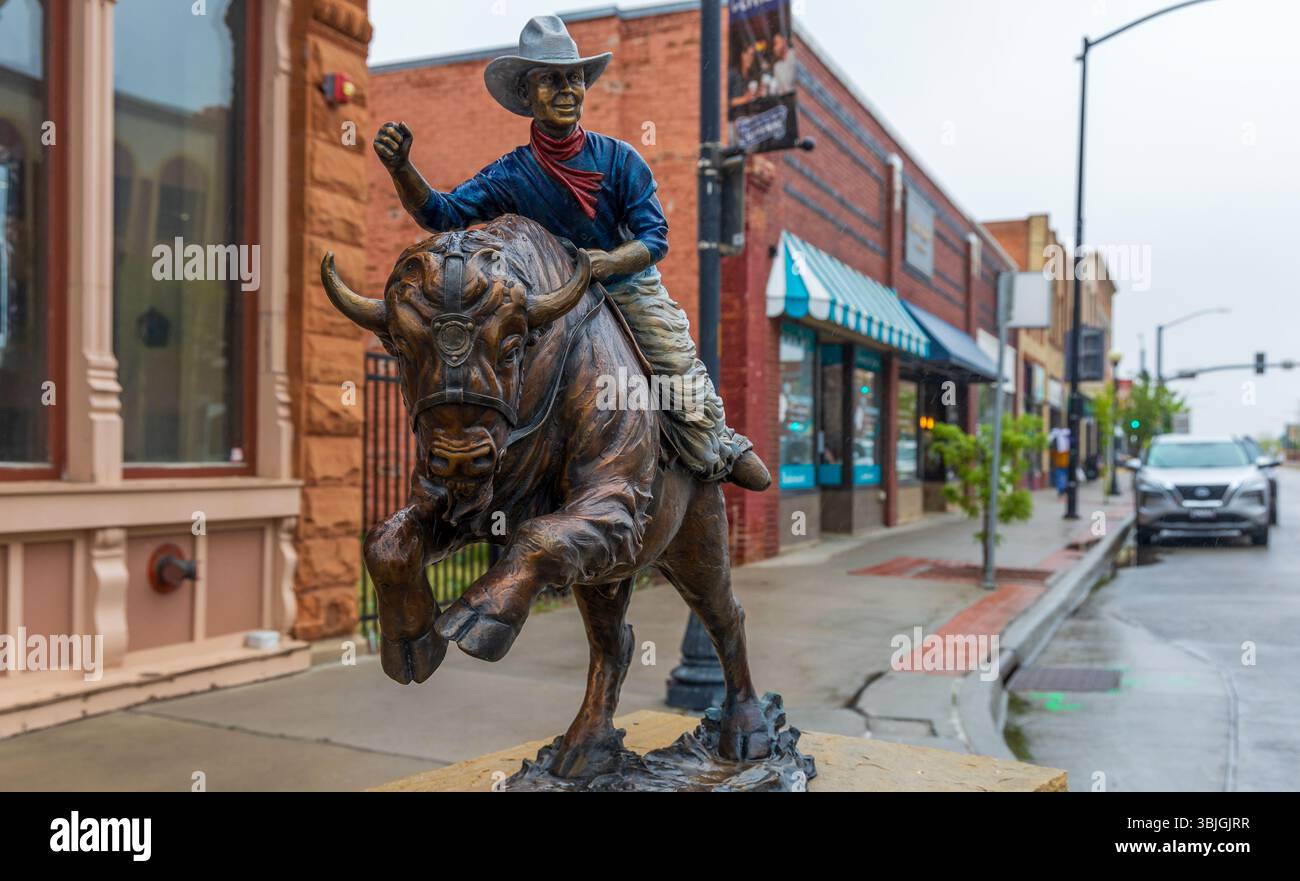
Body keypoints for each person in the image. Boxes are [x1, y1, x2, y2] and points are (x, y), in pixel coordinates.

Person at [374, 15, 770, 491]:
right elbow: (441, 213)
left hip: (624, 289)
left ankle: (715, 442)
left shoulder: (621, 159)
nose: (567, 90)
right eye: (551, 80)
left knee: (674, 363)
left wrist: (606, 263)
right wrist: (401, 169)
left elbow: (655, 238)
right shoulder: (510, 173)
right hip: (548, 301)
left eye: (575, 78)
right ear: (526, 95)